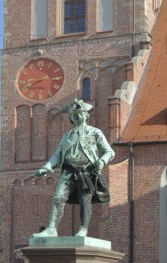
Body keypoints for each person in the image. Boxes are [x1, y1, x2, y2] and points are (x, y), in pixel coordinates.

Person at [32, 99, 115, 237]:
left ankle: (83, 229)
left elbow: (109, 151)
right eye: (73, 114)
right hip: (68, 171)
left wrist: (102, 161)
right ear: (70, 118)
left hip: (86, 171)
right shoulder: (67, 136)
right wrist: (46, 167)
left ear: (86, 115)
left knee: (84, 200)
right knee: (58, 197)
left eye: (79, 113)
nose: (76, 116)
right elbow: (57, 155)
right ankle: (52, 228)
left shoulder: (95, 132)